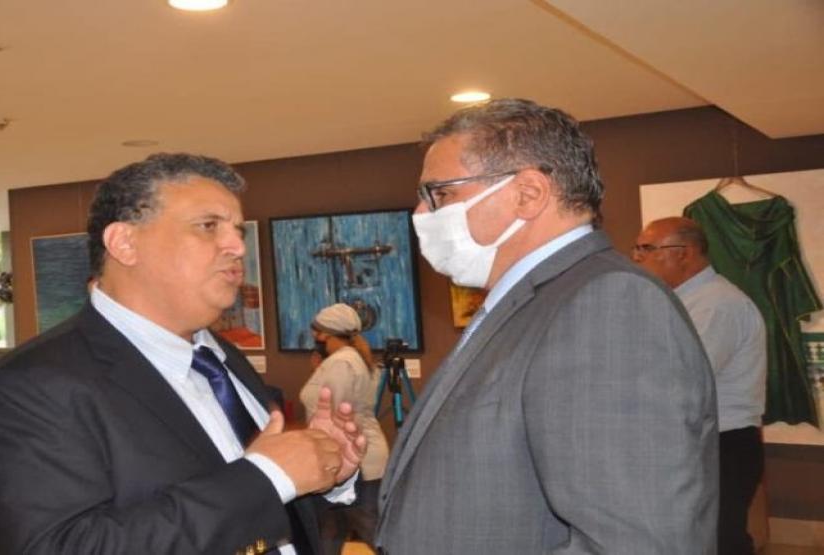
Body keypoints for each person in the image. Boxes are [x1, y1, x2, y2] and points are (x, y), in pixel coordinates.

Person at [0, 153, 367, 554]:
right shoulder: (26, 388)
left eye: (237, 231)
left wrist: (324, 472)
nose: (236, 247)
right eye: (208, 226)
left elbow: (269, 522)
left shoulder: (223, 359)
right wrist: (266, 476)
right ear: (124, 243)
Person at [374, 98, 719, 554]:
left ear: (529, 194)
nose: (421, 213)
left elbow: (633, 541)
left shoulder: (606, 304)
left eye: (440, 193)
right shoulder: (534, 301)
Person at [634, 216, 767, 555]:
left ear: (684, 253)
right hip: (697, 442)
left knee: (719, 541)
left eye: (647, 248)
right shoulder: (683, 300)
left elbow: (681, 380)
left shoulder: (717, 304)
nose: (636, 257)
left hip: (722, 445)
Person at [300, 303, 388, 554]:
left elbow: (335, 415)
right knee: (328, 533)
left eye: (316, 331)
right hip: (351, 459)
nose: (314, 337)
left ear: (325, 334)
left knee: (376, 534)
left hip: (354, 462)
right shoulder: (350, 359)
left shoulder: (342, 363)